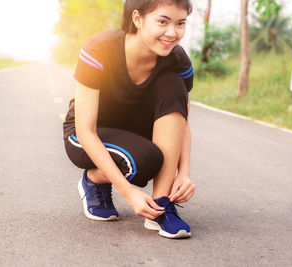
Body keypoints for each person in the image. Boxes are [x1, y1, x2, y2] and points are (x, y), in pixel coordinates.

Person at [63, 0, 195, 239]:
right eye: (163, 21)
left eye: (180, 23)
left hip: (134, 131)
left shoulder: (178, 60)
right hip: (86, 134)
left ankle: (160, 206)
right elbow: (86, 131)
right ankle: (93, 180)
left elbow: (181, 121)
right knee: (145, 161)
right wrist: (128, 192)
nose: (172, 33)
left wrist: (184, 172)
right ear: (137, 19)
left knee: (173, 83)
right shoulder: (99, 50)